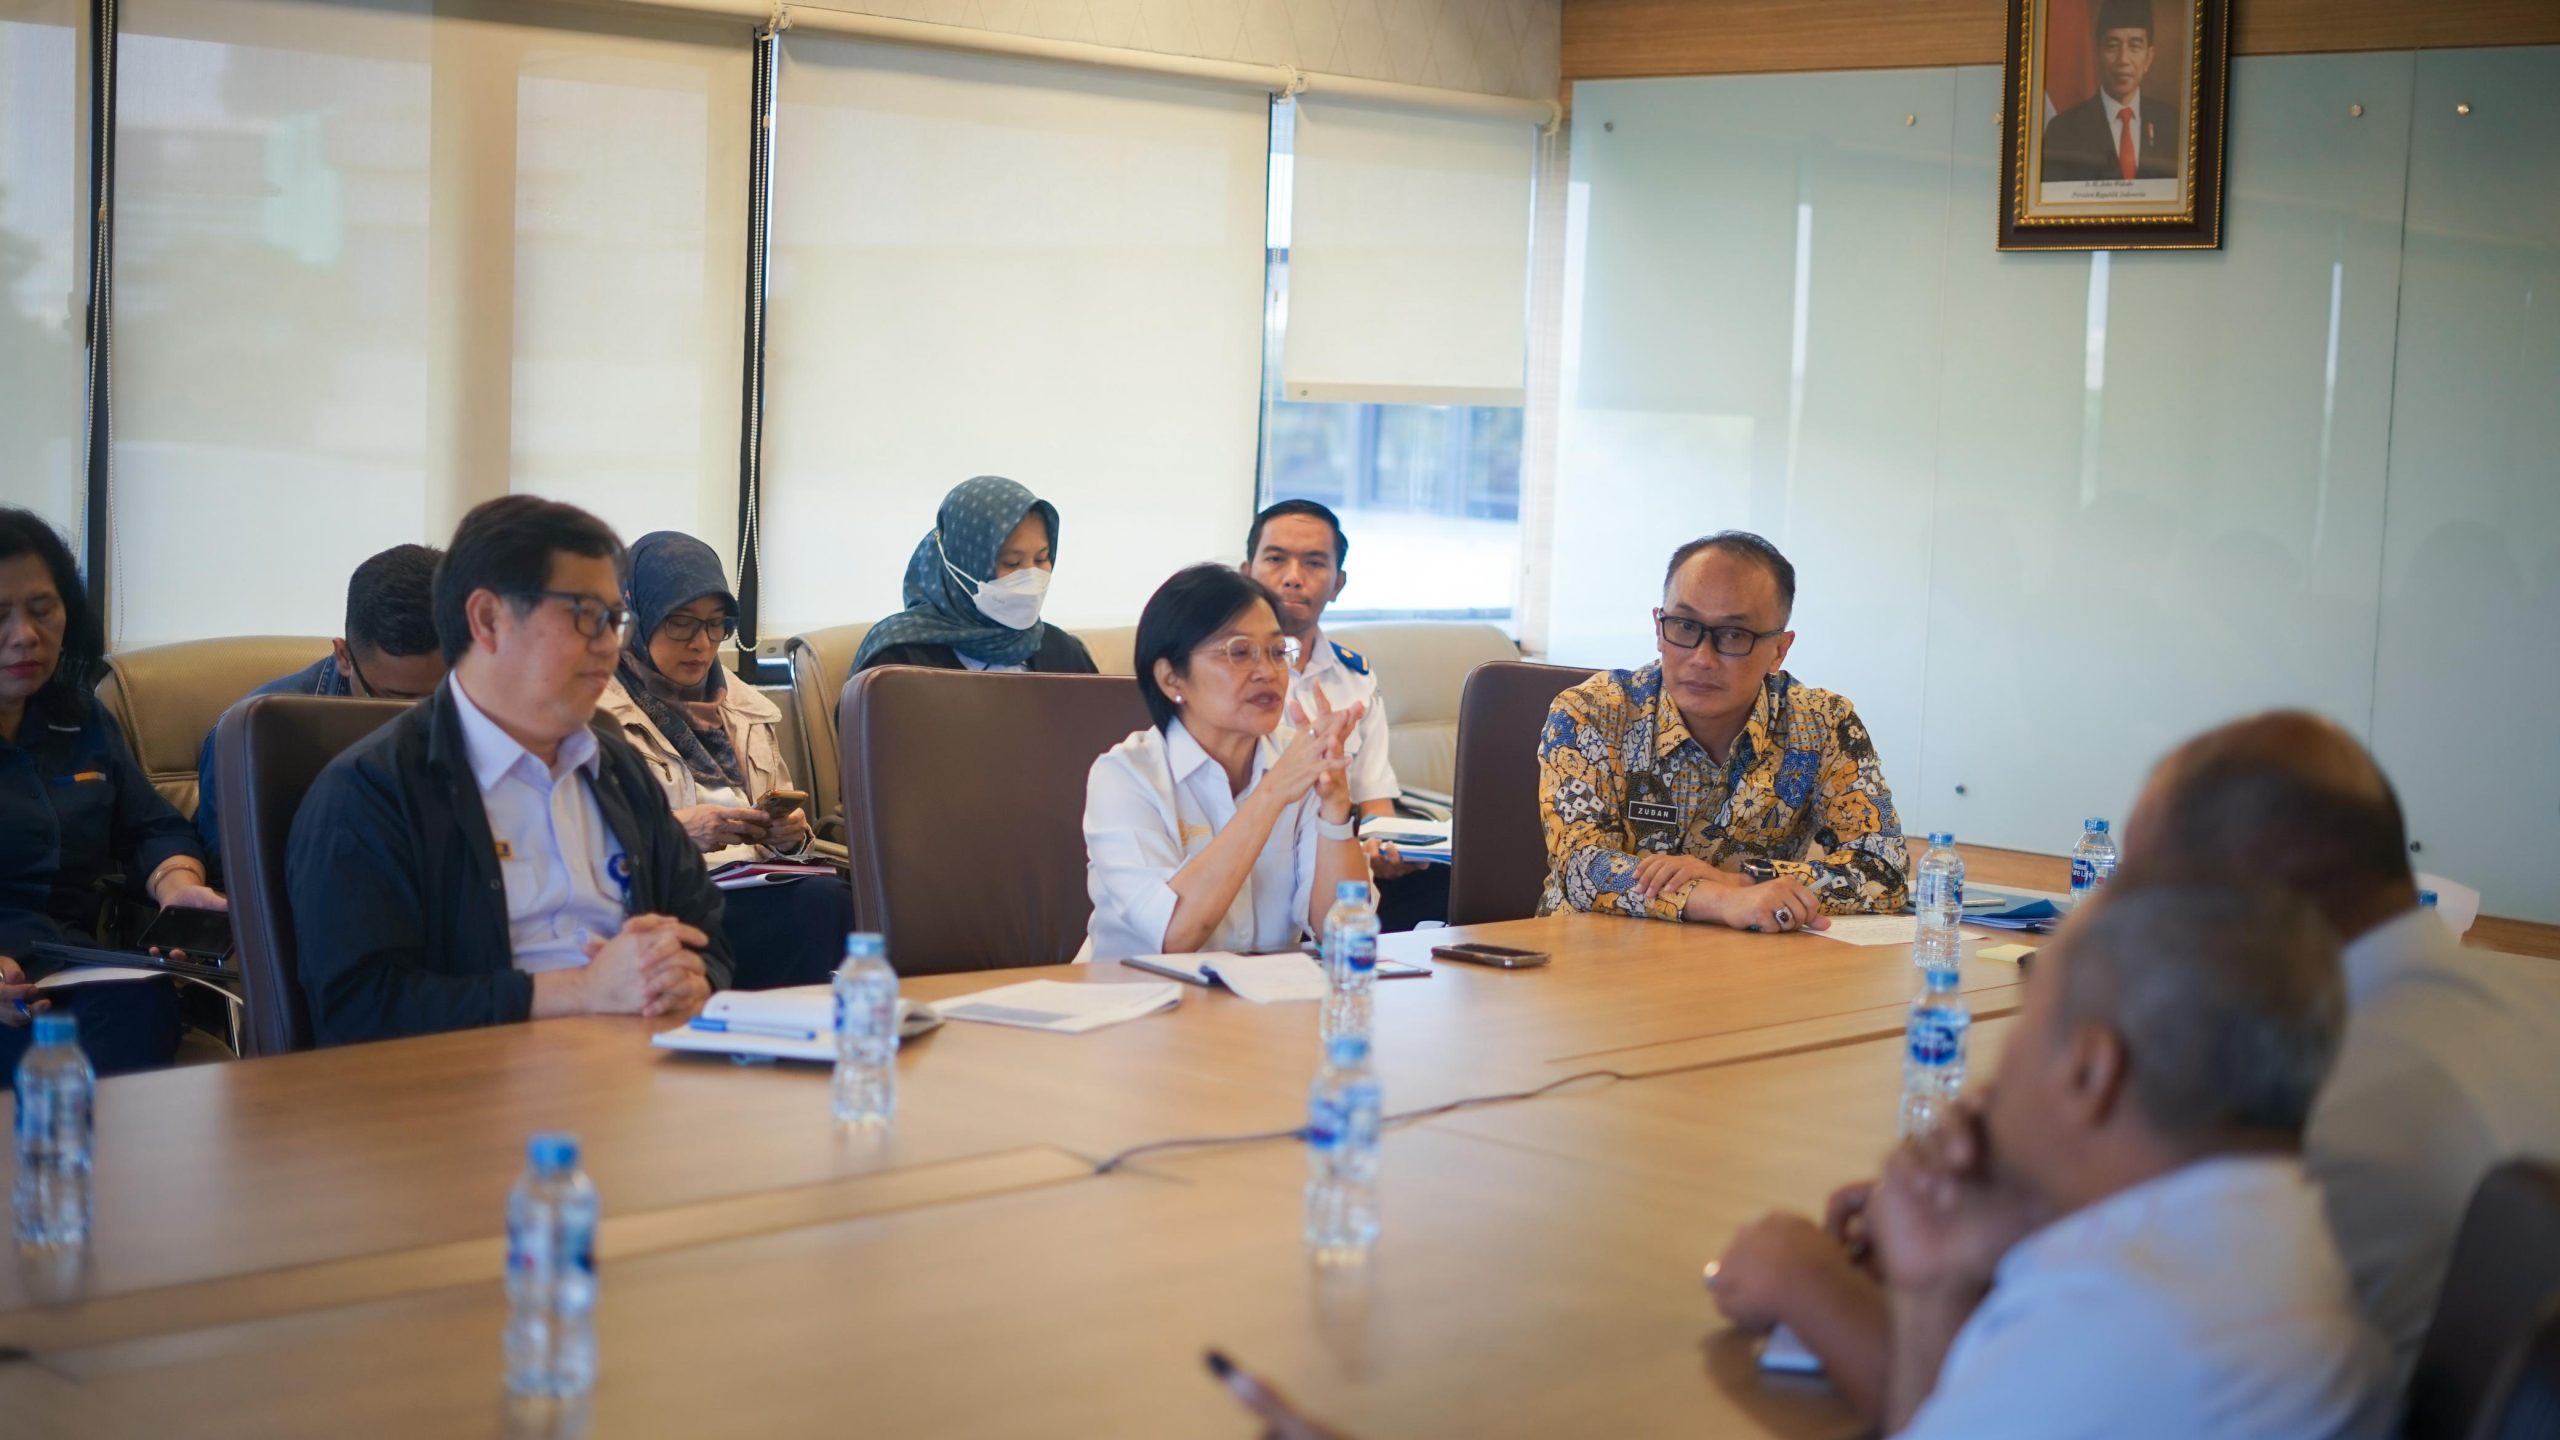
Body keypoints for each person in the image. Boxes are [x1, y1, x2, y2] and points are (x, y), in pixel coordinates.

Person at [1718, 879, 2387, 1437]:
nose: (1990, 1082)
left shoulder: (2122, 1310)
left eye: (2024, 1026)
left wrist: (1804, 1276)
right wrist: (1944, 1276)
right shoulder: (2269, 1226)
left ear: (2090, 1072)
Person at [2118, 712, 2560, 1385]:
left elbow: (2145, 1374)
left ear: (2253, 898)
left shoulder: (2309, 1127)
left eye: (2153, 901)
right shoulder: (2534, 1008)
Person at [287, 496, 732, 1046]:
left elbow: (707, 933)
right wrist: (582, 990)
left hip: (641, 1065)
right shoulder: (369, 791)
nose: (609, 647)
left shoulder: (616, 769)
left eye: (615, 621)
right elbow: (360, 1010)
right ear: (489, 619)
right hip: (466, 1083)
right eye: (586, 616)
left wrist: (690, 978)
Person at [1536, 531, 1908, 932]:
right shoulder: (1591, 712)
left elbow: (1884, 870)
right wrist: (1721, 899)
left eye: (1733, 635)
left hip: (1744, 959)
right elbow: (1581, 865)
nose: (1702, 658)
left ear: (1779, 650)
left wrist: (1745, 880)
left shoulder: (1823, 723)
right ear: (1659, 628)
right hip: (1594, 954)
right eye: (1684, 626)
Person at [0, 507, 226, 1082]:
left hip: (72, 965)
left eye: (41, 609)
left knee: (142, 1007)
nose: (25, 636)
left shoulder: (82, 720)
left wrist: (178, 886)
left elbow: (153, 826)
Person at [596, 529, 848, 989]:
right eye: (681, 622)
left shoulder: (746, 706)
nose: (702, 642)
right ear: (635, 619)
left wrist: (789, 837)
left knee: (827, 897)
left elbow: (788, 835)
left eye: (716, 624)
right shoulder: (598, 715)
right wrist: (679, 834)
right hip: (662, 899)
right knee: (818, 904)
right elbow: (587, 849)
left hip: (751, 887)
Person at [1082, 564, 1369, 962]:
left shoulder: (1300, 763)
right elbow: (1175, 933)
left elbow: (1340, 933)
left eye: (1276, 651)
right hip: (1136, 993)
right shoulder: (1125, 776)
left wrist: (1336, 810)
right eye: (1239, 652)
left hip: (1265, 995)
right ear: (1171, 679)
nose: (1267, 672)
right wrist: (1271, 795)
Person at [1244, 499, 1444, 932]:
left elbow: (1375, 801)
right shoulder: (1225, 676)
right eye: (1276, 559)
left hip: (1331, 857)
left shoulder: (1356, 680)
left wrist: (1381, 846)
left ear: (1338, 583)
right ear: (1247, 573)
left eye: (1314, 563)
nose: (1293, 577)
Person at [193, 542, 446, 856]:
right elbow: (239, 874)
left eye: (441, 696)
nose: (423, 718)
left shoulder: (486, 704)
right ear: (344, 657)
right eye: (397, 700)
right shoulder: (253, 739)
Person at [853, 475, 1098, 675]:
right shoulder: (899, 660)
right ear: (962, 564)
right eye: (1012, 563)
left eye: (1041, 559)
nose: (1031, 577)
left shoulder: (1062, 652)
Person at [2039, 0, 2183, 185]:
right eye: (2113, 45)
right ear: (2097, 54)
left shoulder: (2173, 124)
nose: (2123, 59)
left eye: (2135, 46)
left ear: (2148, 58)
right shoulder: (2063, 129)